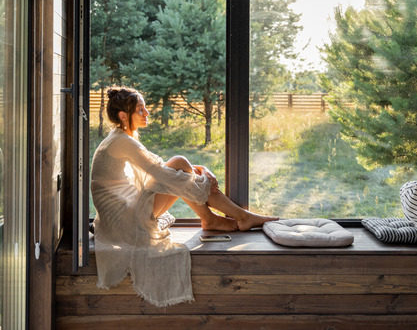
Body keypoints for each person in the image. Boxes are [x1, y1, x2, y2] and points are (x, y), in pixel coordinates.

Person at [90, 86, 277, 307]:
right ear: (123, 116)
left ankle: (221, 218)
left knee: (178, 165)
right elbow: (162, 173)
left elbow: (159, 166)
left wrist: (202, 170)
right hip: (125, 225)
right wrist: (203, 180)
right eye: (141, 109)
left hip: (122, 218)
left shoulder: (120, 138)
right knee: (178, 166)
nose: (147, 113)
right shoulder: (121, 141)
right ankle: (235, 217)